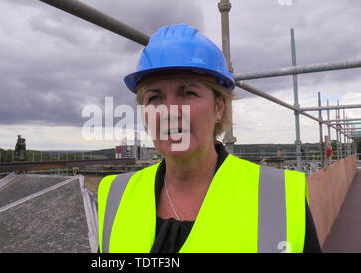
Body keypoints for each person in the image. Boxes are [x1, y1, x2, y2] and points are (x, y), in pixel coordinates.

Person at [97, 24, 321, 253]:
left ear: (218, 107)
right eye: (155, 98)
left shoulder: (278, 196)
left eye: (188, 93)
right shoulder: (115, 194)